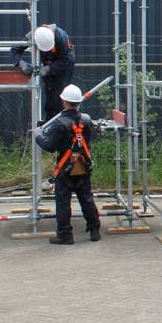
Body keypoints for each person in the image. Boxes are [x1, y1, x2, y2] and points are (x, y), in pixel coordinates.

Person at [34, 84, 101, 244]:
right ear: (78, 102)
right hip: (83, 165)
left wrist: (38, 136)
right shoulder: (86, 119)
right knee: (86, 198)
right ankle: (94, 230)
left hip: (66, 168)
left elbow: (50, 147)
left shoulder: (59, 123)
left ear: (64, 101)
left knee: (63, 201)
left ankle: (65, 235)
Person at [11, 23, 76, 123]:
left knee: (60, 99)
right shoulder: (32, 36)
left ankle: (61, 124)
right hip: (46, 65)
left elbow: (68, 60)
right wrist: (21, 63)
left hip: (63, 67)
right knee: (50, 100)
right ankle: (50, 124)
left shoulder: (61, 36)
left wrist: (49, 68)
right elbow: (15, 50)